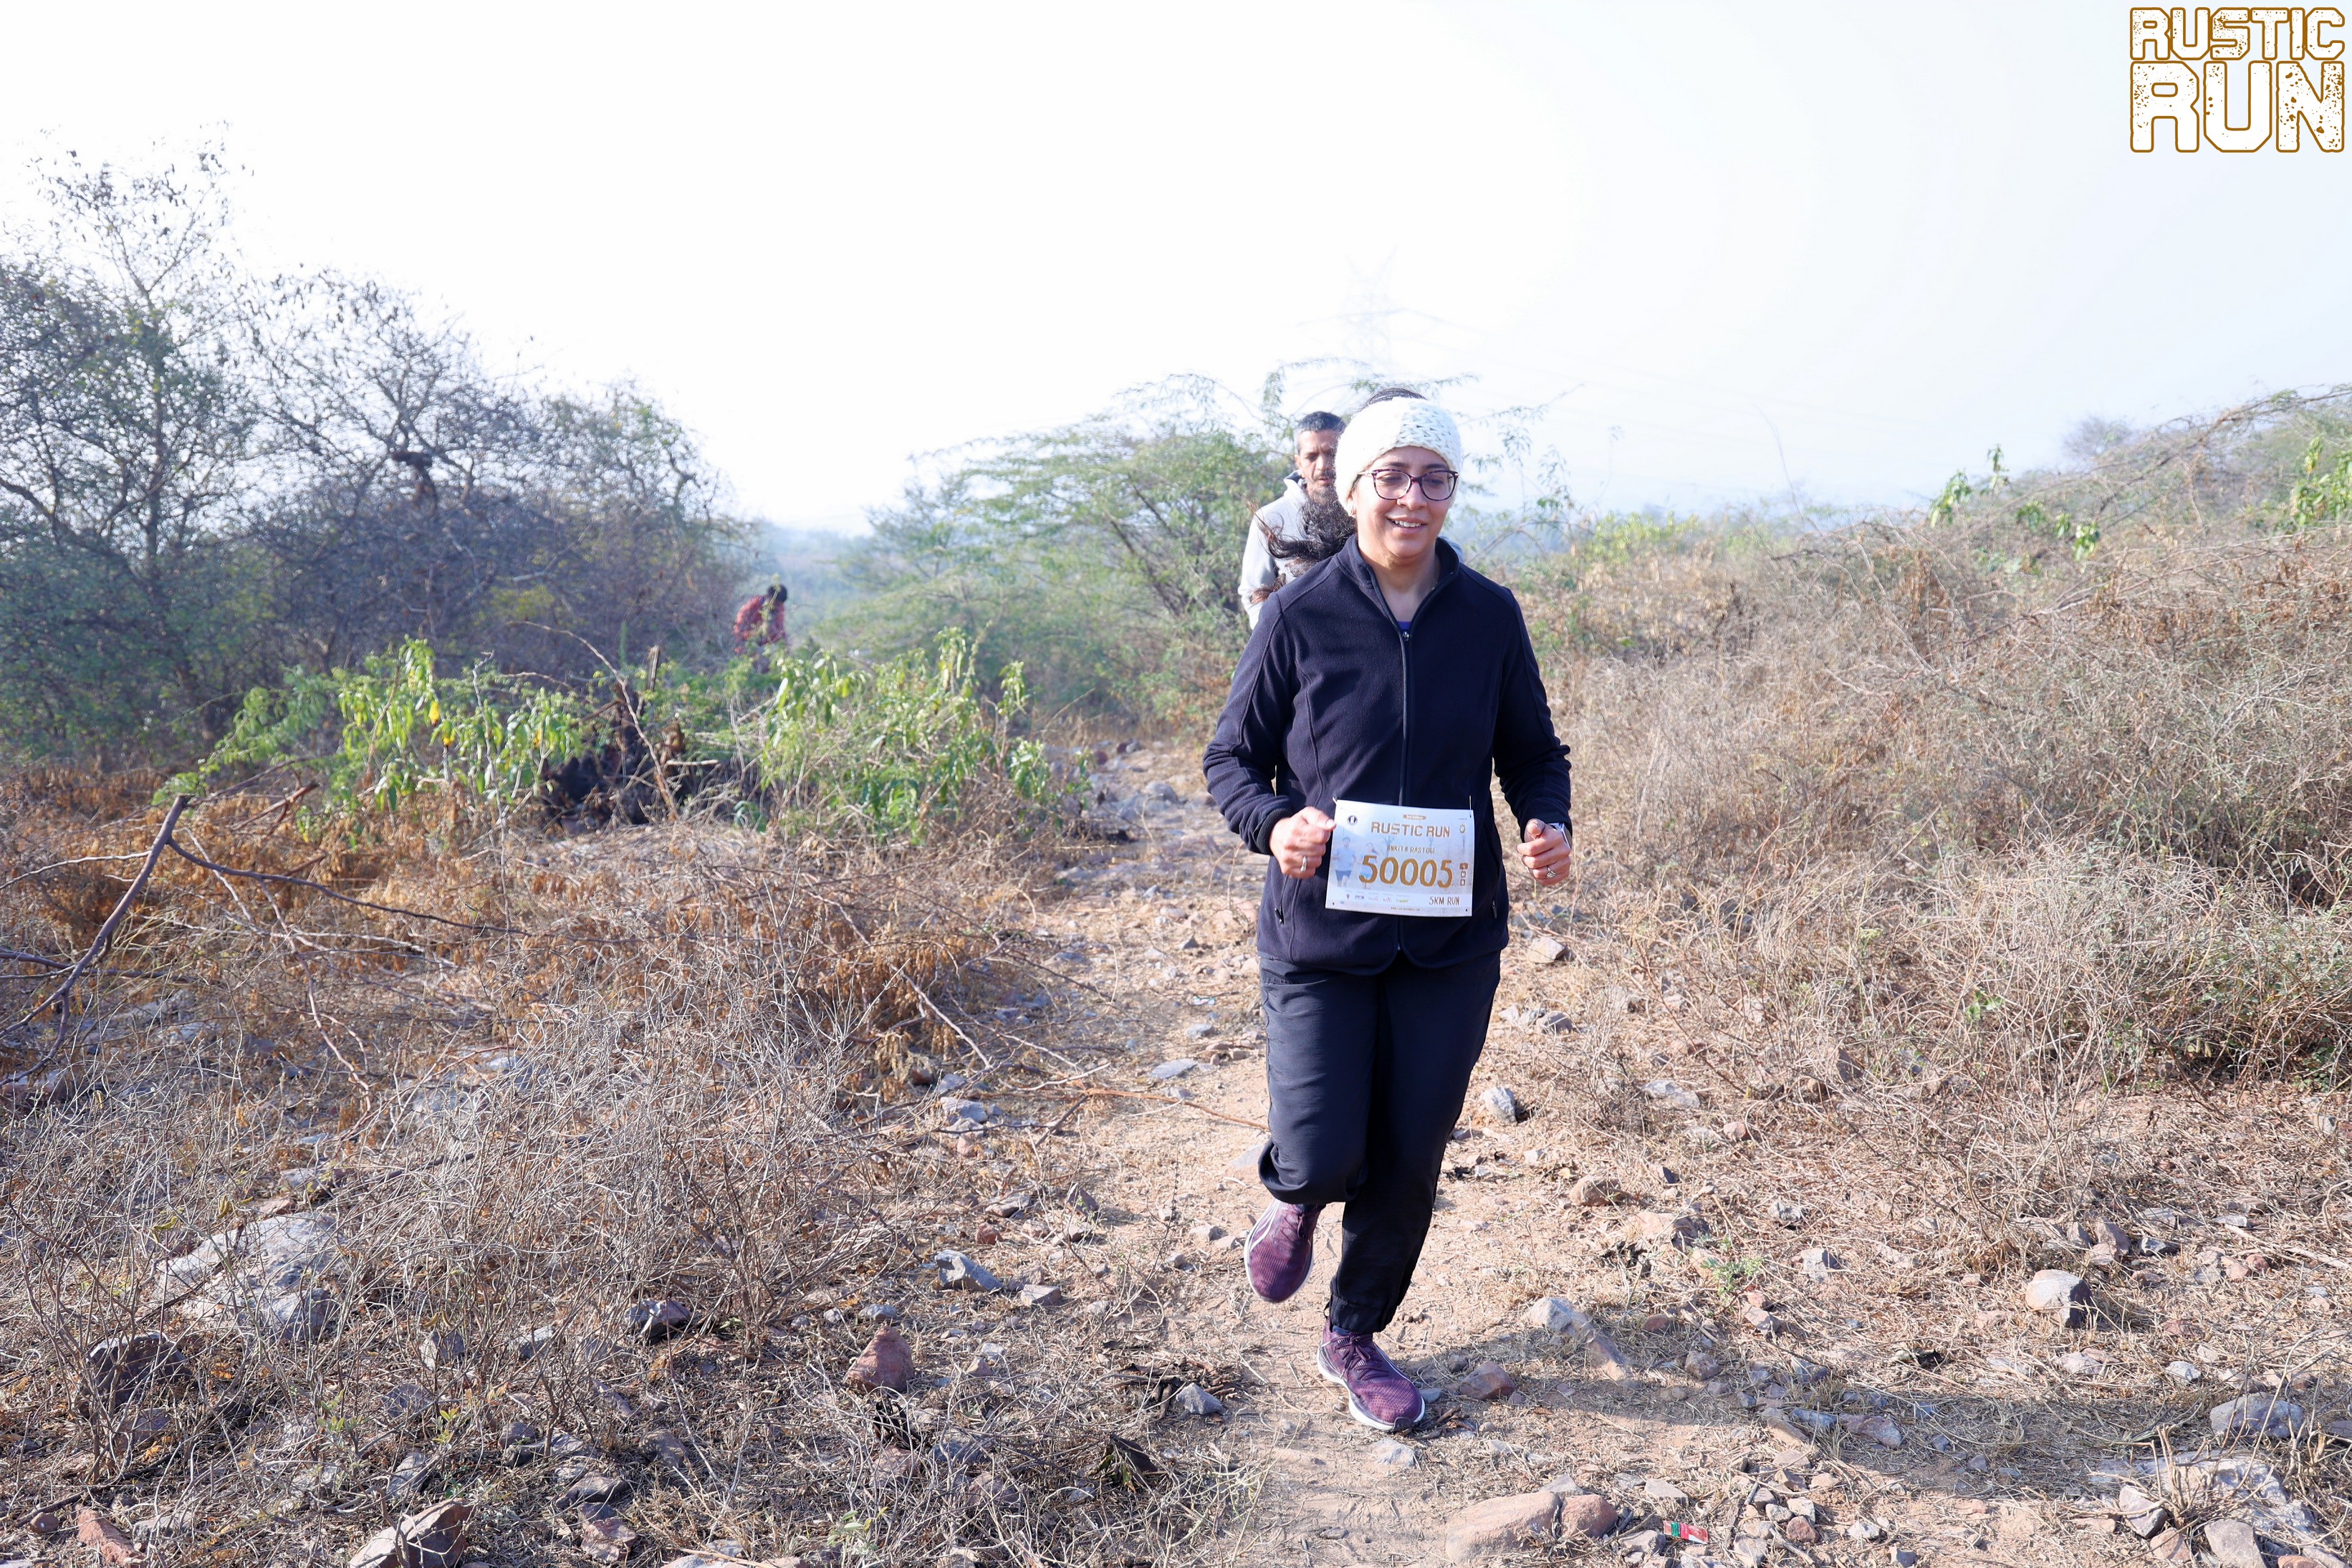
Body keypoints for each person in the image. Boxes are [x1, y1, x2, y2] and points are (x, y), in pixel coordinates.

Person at [1202, 393, 1573, 1432]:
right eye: (1392, 477)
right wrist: (1274, 824)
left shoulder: (1489, 616)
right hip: (1320, 931)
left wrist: (1545, 819)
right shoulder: (1299, 614)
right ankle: (1294, 1193)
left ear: (1451, 491)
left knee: (1409, 1153)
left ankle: (1353, 1333)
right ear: (1353, 487)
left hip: (1449, 939)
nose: (1412, 497)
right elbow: (1230, 758)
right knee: (1324, 1150)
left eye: (1433, 478)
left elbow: (1531, 751)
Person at [1239, 411, 1350, 627]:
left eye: (1332, 453)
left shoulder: (1368, 511)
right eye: (1311, 457)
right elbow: (1253, 593)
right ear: (1298, 462)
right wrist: (1278, 639)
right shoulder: (1270, 518)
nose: (1323, 465)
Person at [732, 582, 789, 653]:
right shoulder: (750, 608)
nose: (778, 608)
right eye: (776, 604)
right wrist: (757, 633)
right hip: (749, 646)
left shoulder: (779, 608)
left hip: (768, 647)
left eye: (780, 605)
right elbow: (738, 633)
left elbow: (780, 631)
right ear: (769, 598)